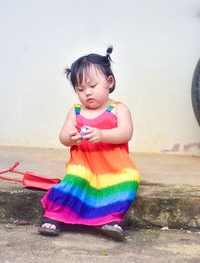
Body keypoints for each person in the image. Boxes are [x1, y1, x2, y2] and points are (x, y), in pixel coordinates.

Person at [38, 46, 140, 241]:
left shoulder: (118, 109)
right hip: (83, 164)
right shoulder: (76, 111)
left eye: (92, 86)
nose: (87, 93)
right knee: (75, 180)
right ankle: (54, 215)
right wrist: (70, 138)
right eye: (80, 89)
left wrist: (102, 134)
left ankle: (112, 219)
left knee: (130, 178)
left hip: (113, 165)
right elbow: (63, 136)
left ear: (109, 82)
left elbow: (126, 133)